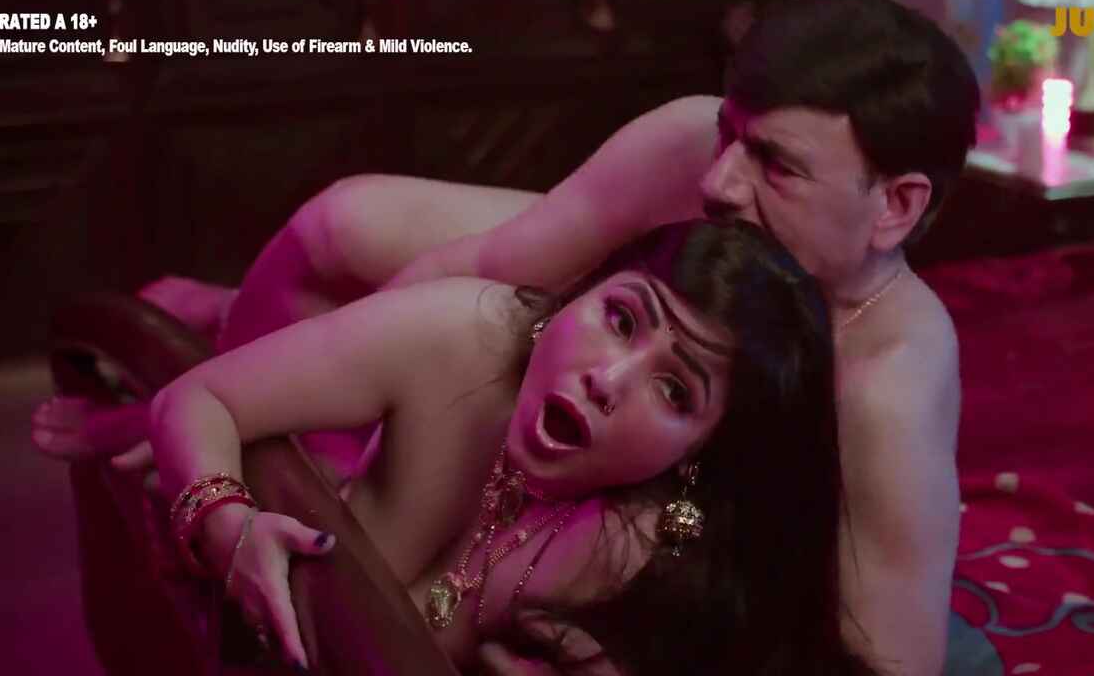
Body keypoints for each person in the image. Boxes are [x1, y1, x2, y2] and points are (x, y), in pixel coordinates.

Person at [35, 0, 979, 675]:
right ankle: (228, 323)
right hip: (621, 275)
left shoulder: (886, 387)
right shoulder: (704, 154)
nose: (719, 182)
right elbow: (488, 269)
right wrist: (255, 405)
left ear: (895, 207)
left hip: (653, 382)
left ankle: (226, 321)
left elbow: (890, 660)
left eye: (774, 164)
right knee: (341, 224)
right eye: (731, 133)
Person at [147, 220, 874, 675]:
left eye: (675, 391)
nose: (607, 379)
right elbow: (196, 399)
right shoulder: (461, 336)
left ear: (700, 451)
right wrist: (226, 523)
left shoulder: (638, 549)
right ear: (581, 295)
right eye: (621, 319)